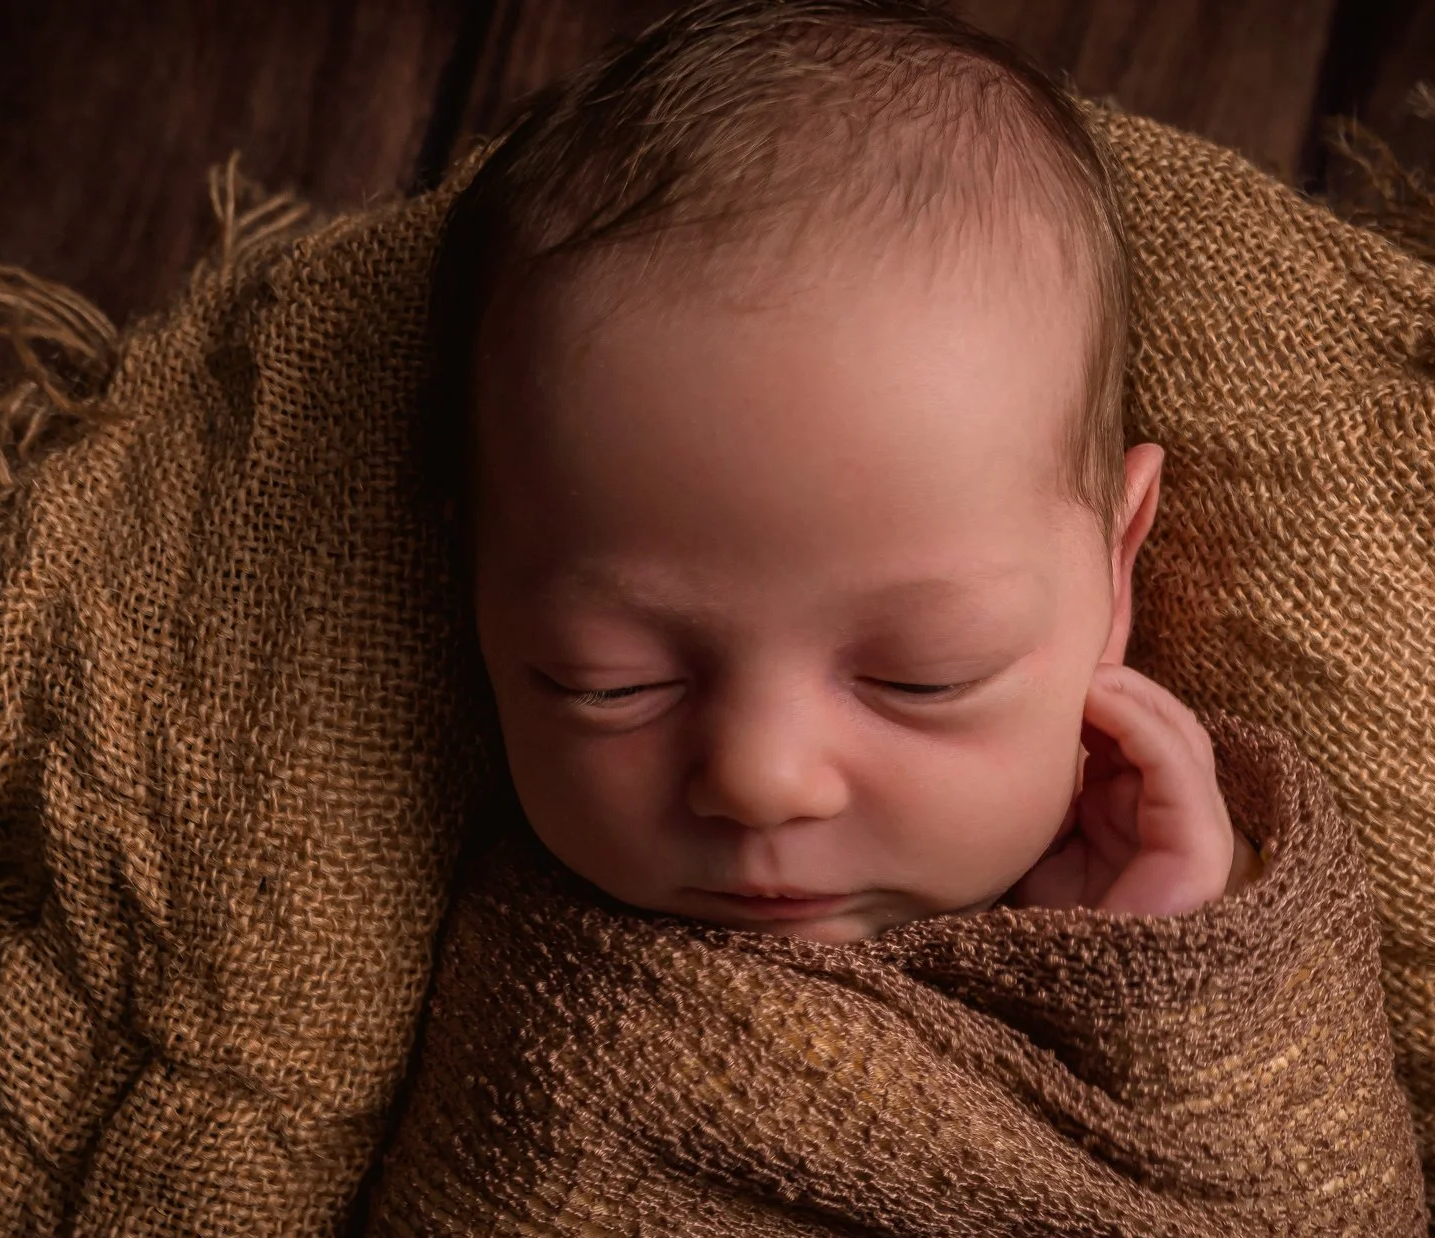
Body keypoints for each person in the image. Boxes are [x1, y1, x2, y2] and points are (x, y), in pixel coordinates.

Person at [432, 0, 1261, 946]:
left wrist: (1181, 957)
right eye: (608, 683)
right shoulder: (480, 931)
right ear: (476, 589)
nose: (762, 782)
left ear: (1115, 573)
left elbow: (1327, 1100)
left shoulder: (1171, 910)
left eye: (924, 677)